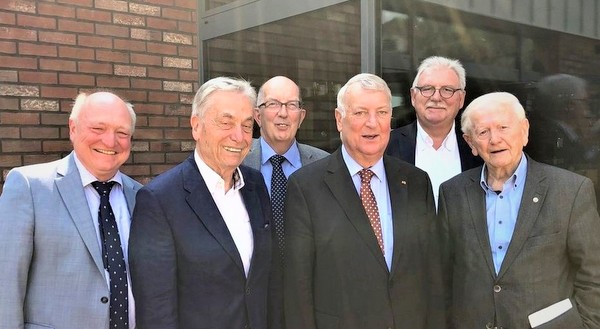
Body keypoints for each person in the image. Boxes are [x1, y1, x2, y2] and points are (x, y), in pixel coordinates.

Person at [283, 73, 444, 329]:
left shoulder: (416, 182)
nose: (373, 123)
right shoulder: (305, 187)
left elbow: (433, 274)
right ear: (339, 119)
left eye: (382, 112)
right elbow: (297, 288)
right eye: (360, 113)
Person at [438, 92, 600, 328]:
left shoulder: (570, 191)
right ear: (471, 143)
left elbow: (594, 274)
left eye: (503, 127)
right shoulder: (452, 193)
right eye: (483, 132)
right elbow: (443, 274)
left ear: (524, 131)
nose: (495, 139)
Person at [129, 77, 273, 329]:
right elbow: (156, 309)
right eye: (226, 122)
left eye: (247, 126)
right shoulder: (159, 200)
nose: (238, 136)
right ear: (196, 126)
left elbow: (262, 281)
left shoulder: (255, 184)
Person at [0, 91, 142, 329]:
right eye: (98, 128)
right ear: (73, 128)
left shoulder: (139, 196)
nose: (110, 141)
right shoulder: (29, 186)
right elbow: (5, 284)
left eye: (122, 133)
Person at [386, 56, 482, 204]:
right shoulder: (387, 145)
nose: (436, 97)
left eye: (447, 90)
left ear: (461, 99)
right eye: (427, 89)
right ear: (413, 96)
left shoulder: (477, 149)